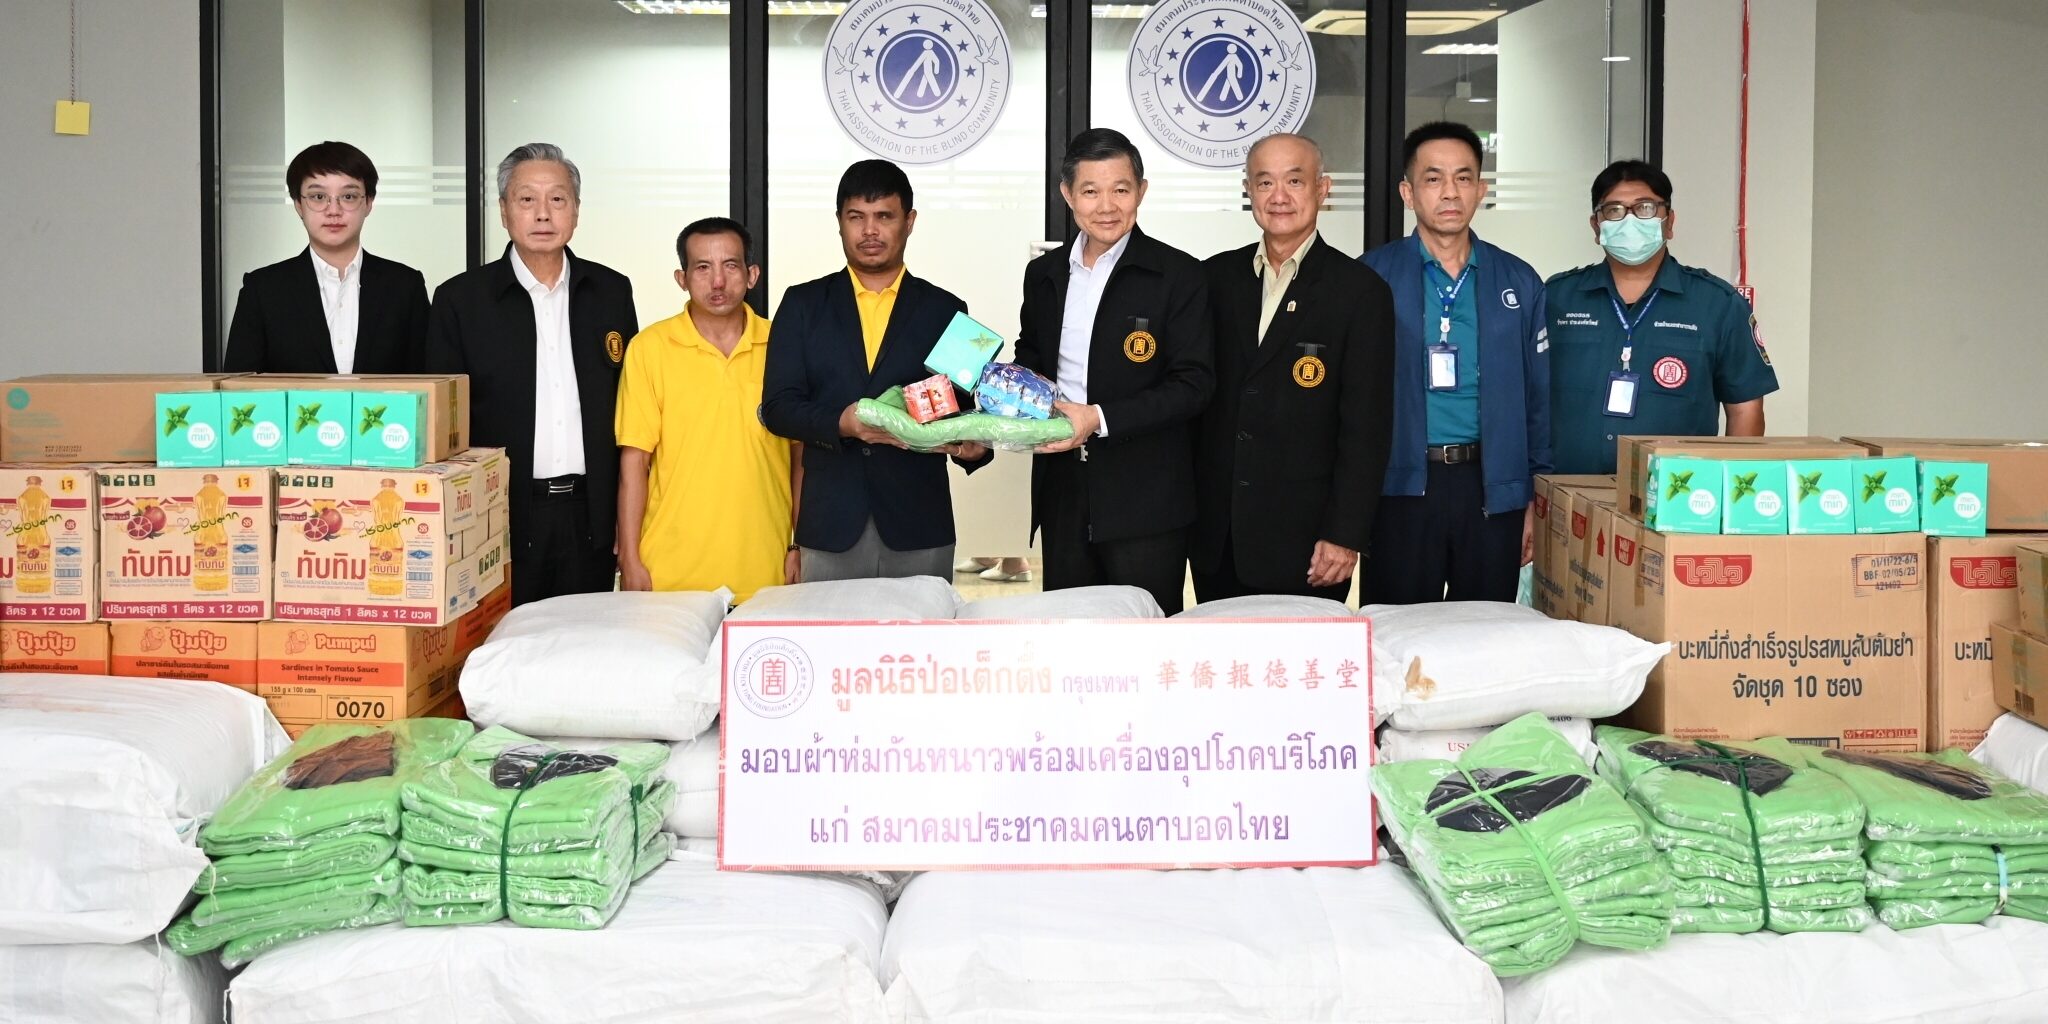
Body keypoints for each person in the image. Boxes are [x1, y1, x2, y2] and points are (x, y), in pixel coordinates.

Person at [426, 143, 638, 605]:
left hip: (592, 516)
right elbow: (442, 427)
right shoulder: (460, 300)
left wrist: (627, 523)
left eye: (557, 199)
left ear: (576, 210)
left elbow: (631, 407)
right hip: (497, 515)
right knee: (504, 642)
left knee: (588, 638)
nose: (543, 213)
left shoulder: (611, 291)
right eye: (527, 199)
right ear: (504, 211)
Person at [760, 159, 991, 582]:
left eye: (884, 216)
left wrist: (974, 448)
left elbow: (962, 411)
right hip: (829, 523)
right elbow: (778, 408)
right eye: (857, 217)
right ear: (839, 222)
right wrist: (843, 423)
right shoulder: (802, 305)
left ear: (909, 222)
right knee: (828, 628)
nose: (870, 231)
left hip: (919, 522)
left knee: (923, 628)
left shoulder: (945, 309)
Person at [1016, 129, 1214, 614]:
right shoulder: (1044, 275)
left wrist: (1097, 418)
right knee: (1068, 631)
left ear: (1141, 191)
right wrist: (1003, 394)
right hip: (1063, 489)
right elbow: (1033, 356)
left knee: (1145, 635)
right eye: (1090, 191)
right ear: (1068, 194)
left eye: (1121, 189)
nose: (1106, 206)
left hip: (1147, 499)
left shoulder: (1178, 275)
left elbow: (1194, 384)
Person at [1194, 133, 1395, 603]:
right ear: (1248, 191)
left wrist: (1345, 533)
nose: (1279, 196)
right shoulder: (1212, 279)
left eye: (1295, 181)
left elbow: (1367, 427)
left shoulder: (1360, 291)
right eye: (1265, 182)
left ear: (1322, 189)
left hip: (1309, 541)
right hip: (1218, 534)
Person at [1360, 122, 1550, 605]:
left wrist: (1535, 496)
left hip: (1491, 487)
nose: (1450, 192)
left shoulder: (1519, 280)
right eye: (1433, 178)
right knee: (1400, 630)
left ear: (1481, 190)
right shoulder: (1370, 278)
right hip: (1398, 486)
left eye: (1463, 178)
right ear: (1408, 193)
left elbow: (1539, 399)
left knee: (1485, 630)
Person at [1545, 160, 1779, 475]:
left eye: (1645, 208)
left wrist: (1733, 486)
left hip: (1679, 494)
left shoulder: (1717, 303)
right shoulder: (1556, 298)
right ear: (1596, 227)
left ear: (1669, 222)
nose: (1629, 220)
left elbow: (1745, 409)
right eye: (1614, 210)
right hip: (1568, 489)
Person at [616, 217, 801, 601]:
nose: (718, 281)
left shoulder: (783, 345)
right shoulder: (650, 348)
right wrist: (630, 558)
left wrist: (798, 545)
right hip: (669, 575)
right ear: (681, 278)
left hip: (765, 572)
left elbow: (802, 459)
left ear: (752, 275)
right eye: (702, 267)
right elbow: (634, 463)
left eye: (730, 265)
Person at [222, 141, 429, 374]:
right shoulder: (262, 290)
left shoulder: (405, 286)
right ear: (298, 204)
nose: (333, 210)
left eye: (348, 196)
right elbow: (239, 385)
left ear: (369, 203)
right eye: (318, 196)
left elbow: (428, 382)